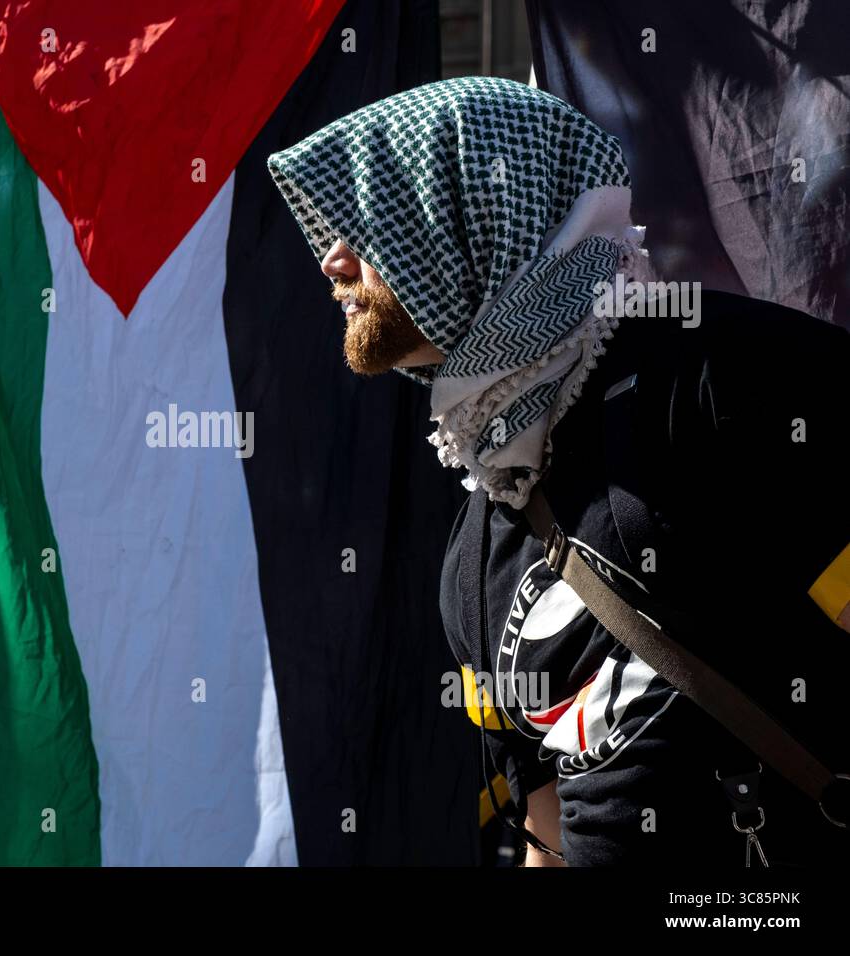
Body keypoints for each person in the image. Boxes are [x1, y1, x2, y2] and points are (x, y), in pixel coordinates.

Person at [267, 76, 850, 866]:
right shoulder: (471, 555)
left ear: (470, 214)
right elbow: (542, 834)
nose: (332, 259)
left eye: (366, 221)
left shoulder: (731, 376)